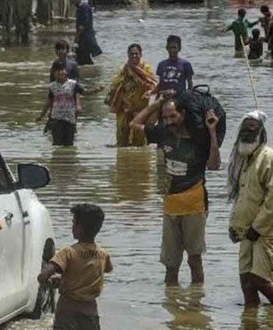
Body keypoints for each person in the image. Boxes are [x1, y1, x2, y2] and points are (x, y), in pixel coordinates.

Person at [130, 99, 221, 286]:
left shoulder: (199, 138)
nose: (169, 121)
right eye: (165, 117)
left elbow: (214, 165)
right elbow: (134, 124)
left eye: (173, 116)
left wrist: (212, 133)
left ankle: (196, 306)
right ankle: (172, 307)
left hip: (194, 204)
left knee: (194, 260)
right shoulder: (163, 133)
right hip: (171, 204)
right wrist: (157, 104)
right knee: (171, 265)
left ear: (183, 114)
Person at [37, 203, 113, 330]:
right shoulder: (103, 254)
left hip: (67, 317)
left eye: (73, 223)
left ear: (79, 228)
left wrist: (47, 279)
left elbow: (45, 275)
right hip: (90, 319)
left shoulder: (68, 252)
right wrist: (65, 280)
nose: (71, 226)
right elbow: (102, 271)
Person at [227, 111, 273, 306]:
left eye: (251, 129)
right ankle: (250, 329)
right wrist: (234, 225)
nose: (246, 133)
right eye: (244, 129)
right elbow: (239, 197)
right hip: (246, 230)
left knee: (259, 279)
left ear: (261, 133)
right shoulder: (242, 159)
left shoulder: (268, 157)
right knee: (246, 281)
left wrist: (258, 227)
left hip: (265, 231)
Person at [37, 61, 103, 146]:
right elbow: (49, 102)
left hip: (70, 119)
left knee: (69, 144)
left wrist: (96, 90)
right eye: (57, 71)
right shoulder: (52, 86)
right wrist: (41, 115)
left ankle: (69, 158)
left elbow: (84, 92)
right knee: (57, 144)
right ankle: (58, 158)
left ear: (66, 71)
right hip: (56, 119)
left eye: (62, 70)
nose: (60, 72)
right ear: (53, 73)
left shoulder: (73, 84)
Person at [105, 43, 158, 147]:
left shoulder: (146, 69)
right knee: (122, 135)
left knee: (140, 139)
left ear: (141, 54)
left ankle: (139, 159)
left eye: (136, 54)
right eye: (131, 54)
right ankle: (123, 158)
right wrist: (125, 102)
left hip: (140, 107)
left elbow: (153, 85)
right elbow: (116, 87)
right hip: (125, 106)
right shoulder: (123, 69)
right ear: (128, 55)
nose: (134, 56)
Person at [74, 0, 102, 66]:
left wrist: (77, 36)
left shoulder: (84, 7)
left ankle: (90, 72)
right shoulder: (81, 7)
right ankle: (91, 72)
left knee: (81, 57)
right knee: (83, 58)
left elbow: (83, 24)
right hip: (85, 38)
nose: (72, 2)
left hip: (85, 38)